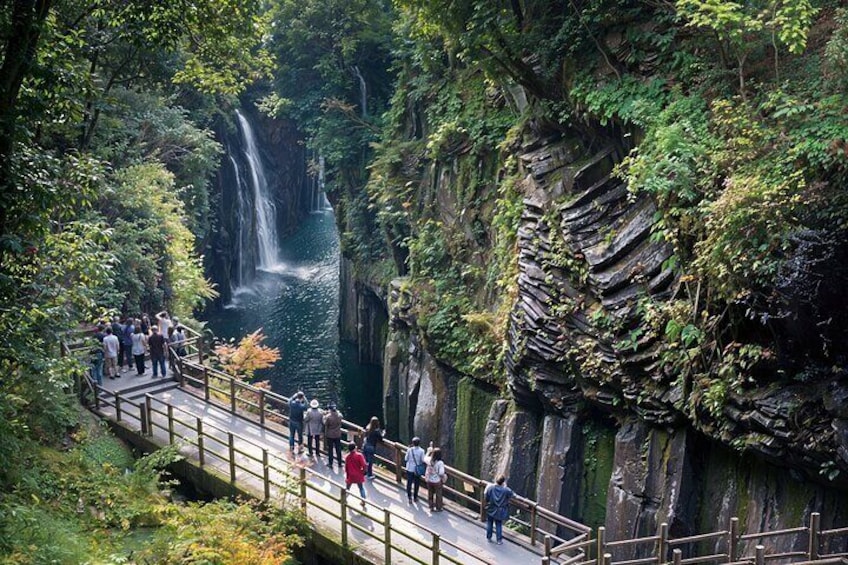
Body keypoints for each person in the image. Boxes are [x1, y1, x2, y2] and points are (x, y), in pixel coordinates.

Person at [484, 475, 514, 545]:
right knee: (498, 524)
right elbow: (513, 495)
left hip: (491, 508)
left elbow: (487, 498)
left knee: (489, 523)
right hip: (500, 510)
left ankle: (489, 537)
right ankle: (499, 540)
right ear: (503, 482)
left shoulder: (490, 488)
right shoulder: (506, 490)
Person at [424, 443, 447, 512]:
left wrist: (428, 451)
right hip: (437, 481)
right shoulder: (440, 463)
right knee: (438, 494)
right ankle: (438, 507)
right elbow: (441, 473)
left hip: (429, 480)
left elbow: (424, 458)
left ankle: (431, 506)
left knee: (430, 493)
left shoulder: (429, 460)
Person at [344, 443, 368, 509]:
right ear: (355, 448)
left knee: (347, 488)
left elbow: (346, 468)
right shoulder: (359, 455)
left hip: (351, 475)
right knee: (361, 488)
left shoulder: (347, 457)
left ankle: (344, 499)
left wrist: (347, 476)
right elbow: (364, 465)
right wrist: (364, 472)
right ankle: (363, 501)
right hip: (358, 475)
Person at [404, 437, 426, 503]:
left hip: (409, 468)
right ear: (419, 443)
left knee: (409, 483)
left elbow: (406, 459)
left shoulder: (409, 450)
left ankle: (409, 497)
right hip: (417, 470)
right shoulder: (422, 451)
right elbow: (422, 460)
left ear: (412, 443)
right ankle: (415, 497)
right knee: (417, 483)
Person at [324, 403, 344, 467]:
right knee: (338, 449)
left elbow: (325, 424)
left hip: (330, 435)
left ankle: (330, 463)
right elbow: (340, 415)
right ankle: (340, 463)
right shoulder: (340, 415)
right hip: (337, 434)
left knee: (330, 450)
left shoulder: (328, 417)